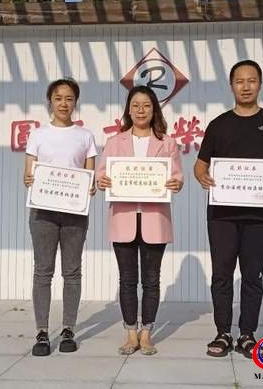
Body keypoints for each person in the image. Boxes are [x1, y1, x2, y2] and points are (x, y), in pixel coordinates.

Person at [193, 60, 263, 359]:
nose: (246, 86)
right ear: (231, 86)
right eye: (240, 81)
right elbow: (200, 164)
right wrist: (202, 177)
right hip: (221, 215)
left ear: (260, 84)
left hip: (258, 214)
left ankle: (248, 334)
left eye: (251, 80)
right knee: (222, 275)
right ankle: (223, 332)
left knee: (252, 275)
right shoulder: (218, 125)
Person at [96, 85, 183, 356]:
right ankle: (130, 333)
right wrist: (102, 180)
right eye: (135, 105)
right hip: (123, 218)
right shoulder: (115, 142)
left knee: (151, 280)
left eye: (146, 105)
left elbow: (177, 175)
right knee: (127, 279)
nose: (141, 110)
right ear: (128, 110)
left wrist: (176, 182)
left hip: (155, 219)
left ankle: (146, 334)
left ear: (154, 109)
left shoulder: (167, 142)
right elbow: (101, 173)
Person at [24, 78, 97, 356]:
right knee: (43, 271)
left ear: (75, 102)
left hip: (74, 213)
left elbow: (90, 175)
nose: (64, 104)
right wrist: (29, 178)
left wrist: (90, 186)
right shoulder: (38, 135)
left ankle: (68, 329)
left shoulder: (85, 136)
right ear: (50, 101)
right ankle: (42, 331)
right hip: (43, 212)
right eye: (58, 98)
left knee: (72, 272)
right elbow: (28, 174)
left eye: (69, 99)